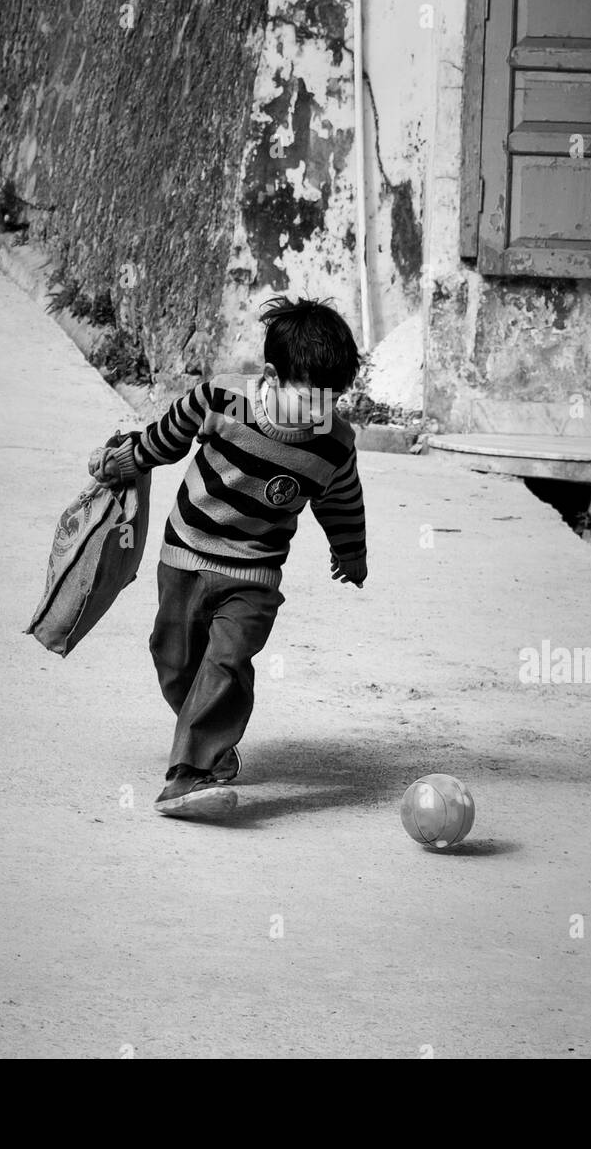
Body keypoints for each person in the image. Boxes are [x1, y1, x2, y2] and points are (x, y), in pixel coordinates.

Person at [88, 297, 367, 818]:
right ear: (271, 376)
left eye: (331, 401)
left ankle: (189, 775)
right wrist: (125, 459)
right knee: (173, 660)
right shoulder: (221, 398)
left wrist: (351, 553)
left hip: (253, 574)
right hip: (186, 552)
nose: (320, 414)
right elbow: (165, 439)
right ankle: (211, 746)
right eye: (309, 400)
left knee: (226, 662)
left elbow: (342, 499)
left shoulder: (335, 443)